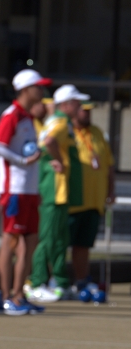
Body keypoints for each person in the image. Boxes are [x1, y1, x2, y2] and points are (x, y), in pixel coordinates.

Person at [0, 69, 49, 316]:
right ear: (25, 89)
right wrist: (22, 162)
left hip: (28, 190)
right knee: (11, 241)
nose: (42, 91)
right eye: (38, 86)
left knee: (30, 242)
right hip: (14, 190)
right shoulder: (12, 114)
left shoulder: (27, 117)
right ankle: (7, 296)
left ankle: (18, 294)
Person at [26, 85, 86, 303]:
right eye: (77, 102)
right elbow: (47, 142)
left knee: (60, 239)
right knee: (48, 238)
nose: (79, 107)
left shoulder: (63, 122)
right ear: (67, 104)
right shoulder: (60, 122)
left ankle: (60, 282)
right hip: (51, 189)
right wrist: (58, 160)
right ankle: (36, 282)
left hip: (60, 191)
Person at [69, 102, 115, 289]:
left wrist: (110, 191)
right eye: (83, 110)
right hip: (72, 201)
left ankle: (81, 281)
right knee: (58, 244)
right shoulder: (67, 131)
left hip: (94, 201)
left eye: (89, 111)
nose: (87, 114)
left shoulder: (97, 132)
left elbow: (109, 165)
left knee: (84, 245)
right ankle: (53, 281)